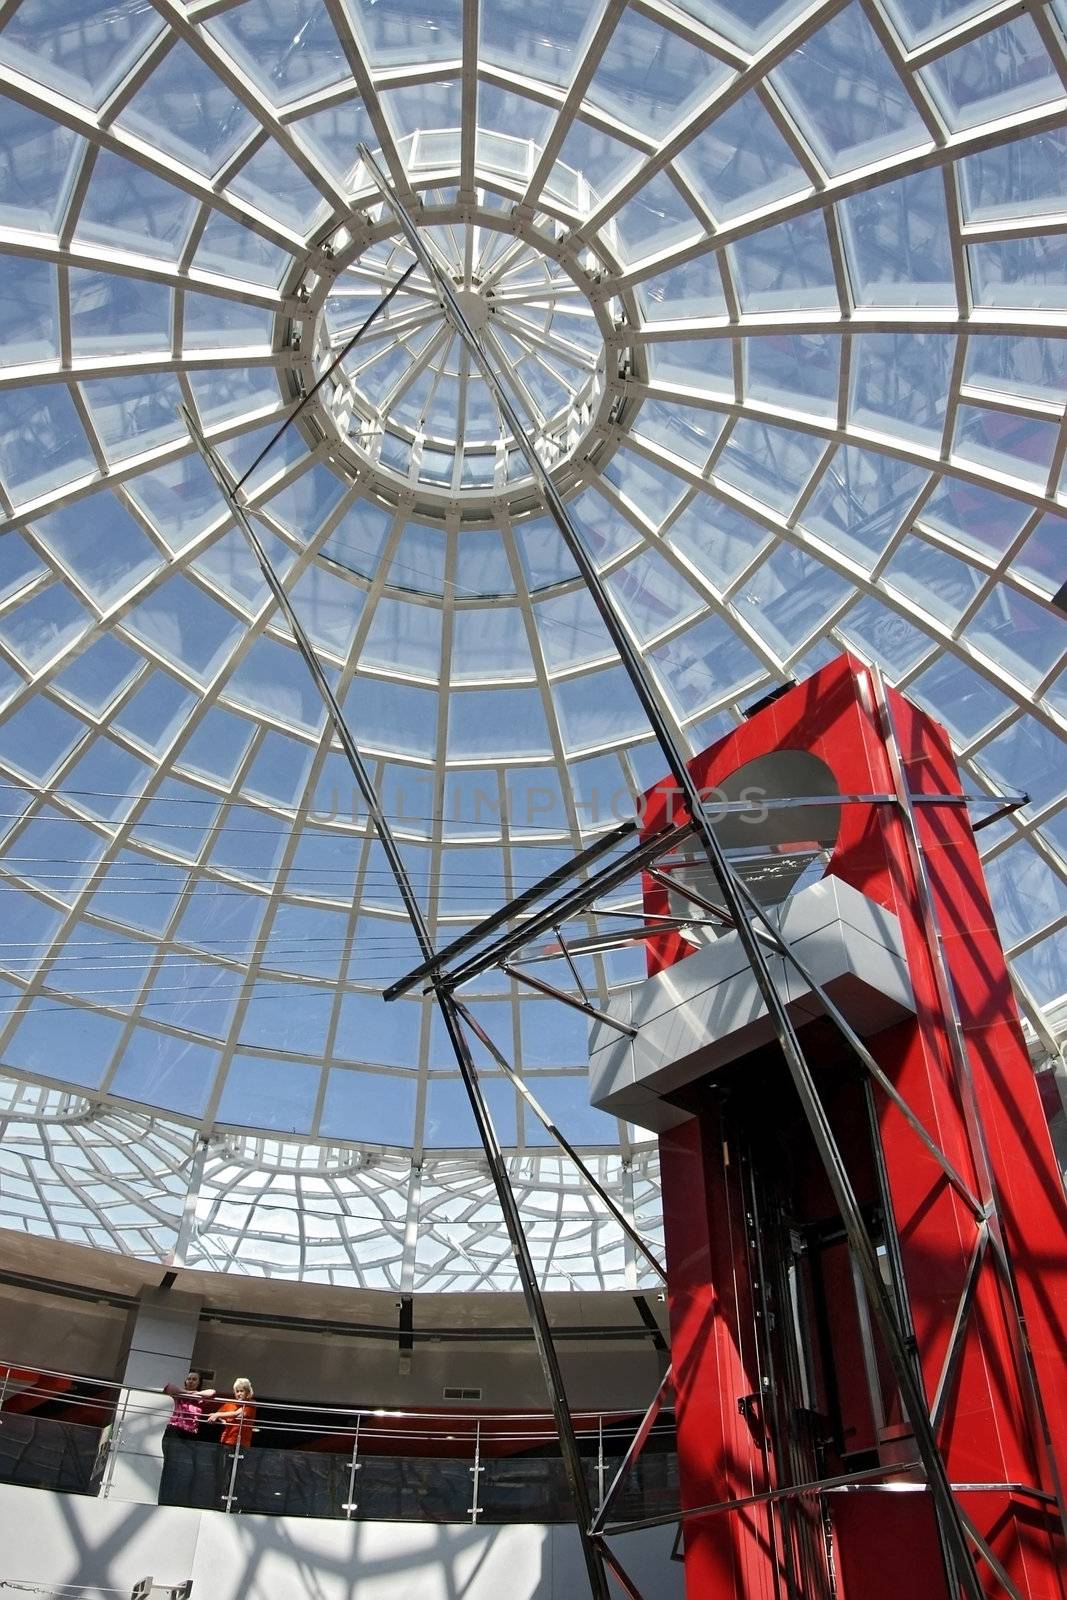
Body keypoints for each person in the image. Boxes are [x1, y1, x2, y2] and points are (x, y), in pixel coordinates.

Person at [162, 1371, 216, 1441]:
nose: (191, 1381)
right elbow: (168, 1387)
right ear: (185, 1381)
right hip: (175, 1427)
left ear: (199, 1383)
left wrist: (195, 1394)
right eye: (189, 1379)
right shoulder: (179, 1393)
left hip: (191, 1430)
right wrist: (187, 1393)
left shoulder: (201, 1397)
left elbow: (212, 1392)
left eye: (194, 1379)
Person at [205, 1377, 256, 1450]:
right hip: (227, 1439)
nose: (239, 1394)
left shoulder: (251, 1403)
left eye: (242, 1391)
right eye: (237, 1391)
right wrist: (223, 1421)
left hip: (243, 1441)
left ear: (247, 1392)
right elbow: (218, 1413)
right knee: (224, 1460)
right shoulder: (229, 1403)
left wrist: (217, 1415)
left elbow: (236, 1413)